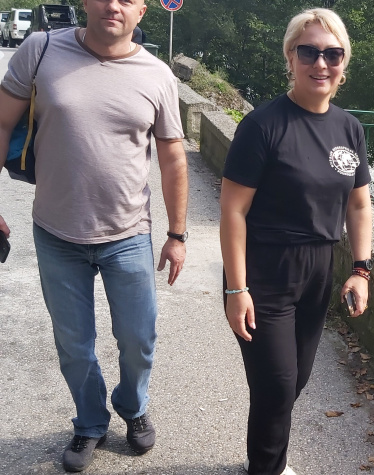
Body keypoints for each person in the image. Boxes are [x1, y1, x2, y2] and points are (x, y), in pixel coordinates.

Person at [0, 0, 188, 472]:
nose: (113, 5)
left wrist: (177, 234)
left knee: (138, 337)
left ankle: (132, 405)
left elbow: (173, 159)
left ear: (142, 11)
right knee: (74, 343)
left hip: (128, 233)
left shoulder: (158, 75)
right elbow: (1, 123)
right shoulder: (40, 50)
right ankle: (89, 421)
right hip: (56, 232)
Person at [219, 8, 372, 475]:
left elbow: (358, 206)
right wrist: (236, 288)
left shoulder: (349, 128)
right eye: (309, 52)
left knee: (295, 380)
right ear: (290, 57)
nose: (320, 63)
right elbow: (233, 210)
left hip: (318, 270)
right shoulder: (263, 125)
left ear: (344, 63)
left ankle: (267, 460)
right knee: (277, 385)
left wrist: (361, 270)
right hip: (265, 270)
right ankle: (268, 468)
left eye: (332, 54)